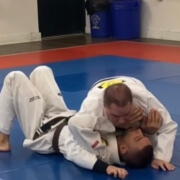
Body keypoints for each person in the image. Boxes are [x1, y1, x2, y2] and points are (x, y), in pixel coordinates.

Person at [0, 66, 153, 179]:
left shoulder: (103, 152)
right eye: (143, 134)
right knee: (42, 71)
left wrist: (105, 168)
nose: (138, 132)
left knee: (15, 77)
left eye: (138, 137)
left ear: (124, 149)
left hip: (41, 131)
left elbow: (75, 153)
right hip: (61, 115)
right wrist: (147, 130)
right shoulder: (120, 135)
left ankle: (2, 138)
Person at [68, 76, 178, 171]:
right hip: (98, 86)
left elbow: (169, 127)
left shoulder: (145, 100)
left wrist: (161, 157)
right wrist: (117, 126)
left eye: (126, 113)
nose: (121, 120)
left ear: (132, 103)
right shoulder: (92, 108)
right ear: (105, 107)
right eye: (115, 116)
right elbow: (75, 132)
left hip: (133, 82)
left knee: (153, 123)